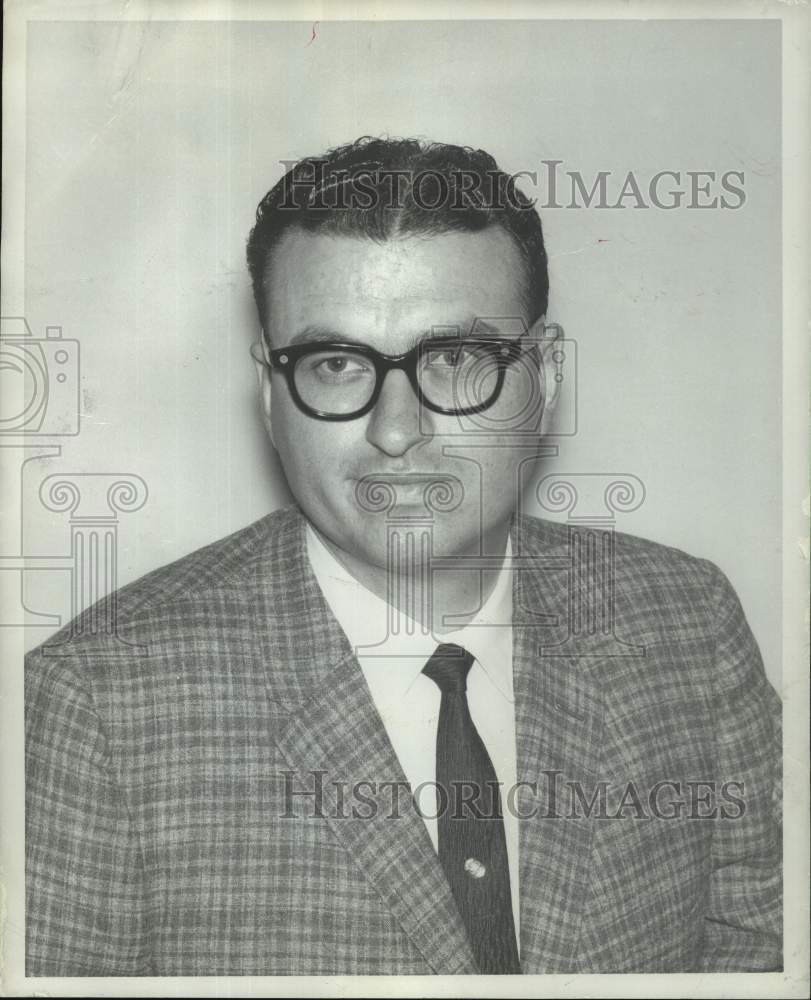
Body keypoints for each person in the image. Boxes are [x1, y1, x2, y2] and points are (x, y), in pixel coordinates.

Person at [25, 136, 782, 976]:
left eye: (455, 360)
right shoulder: (99, 698)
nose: (395, 431)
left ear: (548, 374)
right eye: (337, 363)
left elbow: (761, 954)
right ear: (272, 395)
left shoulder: (687, 622)